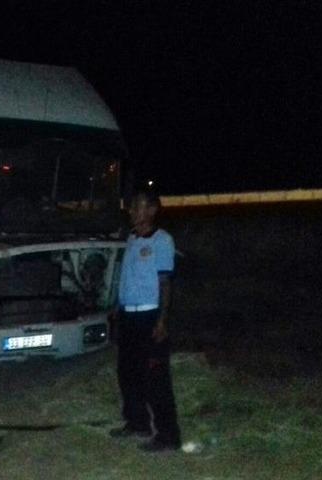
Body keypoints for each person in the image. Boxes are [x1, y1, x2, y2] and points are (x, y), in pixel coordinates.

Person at [109, 189, 182, 452]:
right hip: (129, 316)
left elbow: (165, 284)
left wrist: (162, 320)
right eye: (130, 207)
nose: (132, 211)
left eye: (138, 207)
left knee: (155, 378)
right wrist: (119, 306)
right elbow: (129, 278)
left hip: (150, 316)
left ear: (152, 210)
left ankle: (168, 436)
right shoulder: (131, 239)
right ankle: (137, 422)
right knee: (127, 373)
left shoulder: (162, 241)